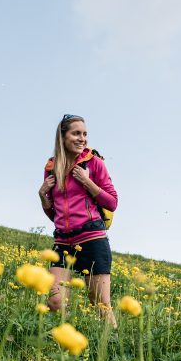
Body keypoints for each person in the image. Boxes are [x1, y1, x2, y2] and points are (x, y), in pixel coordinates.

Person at [38, 114, 119, 325]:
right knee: (55, 302)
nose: (82, 138)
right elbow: (55, 215)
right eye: (76, 133)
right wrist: (43, 197)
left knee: (100, 306)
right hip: (63, 241)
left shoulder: (95, 164)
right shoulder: (51, 168)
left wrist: (87, 182)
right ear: (62, 137)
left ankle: (112, 349)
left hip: (93, 240)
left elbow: (112, 203)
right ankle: (60, 347)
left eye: (84, 134)